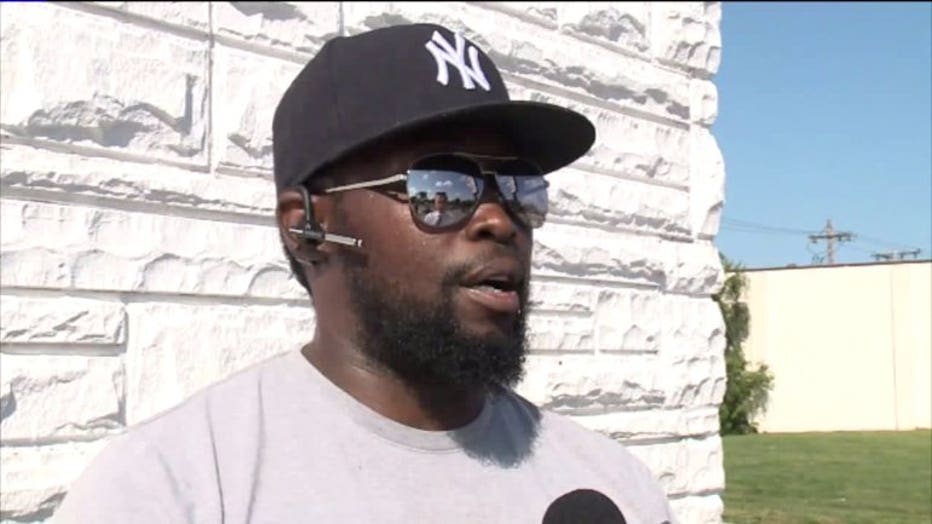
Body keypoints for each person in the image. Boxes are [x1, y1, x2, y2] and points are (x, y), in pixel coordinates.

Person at [54, 23, 677, 523]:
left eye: (519, 187)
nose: (498, 219)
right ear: (307, 226)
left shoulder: (612, 487)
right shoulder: (173, 489)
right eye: (441, 186)